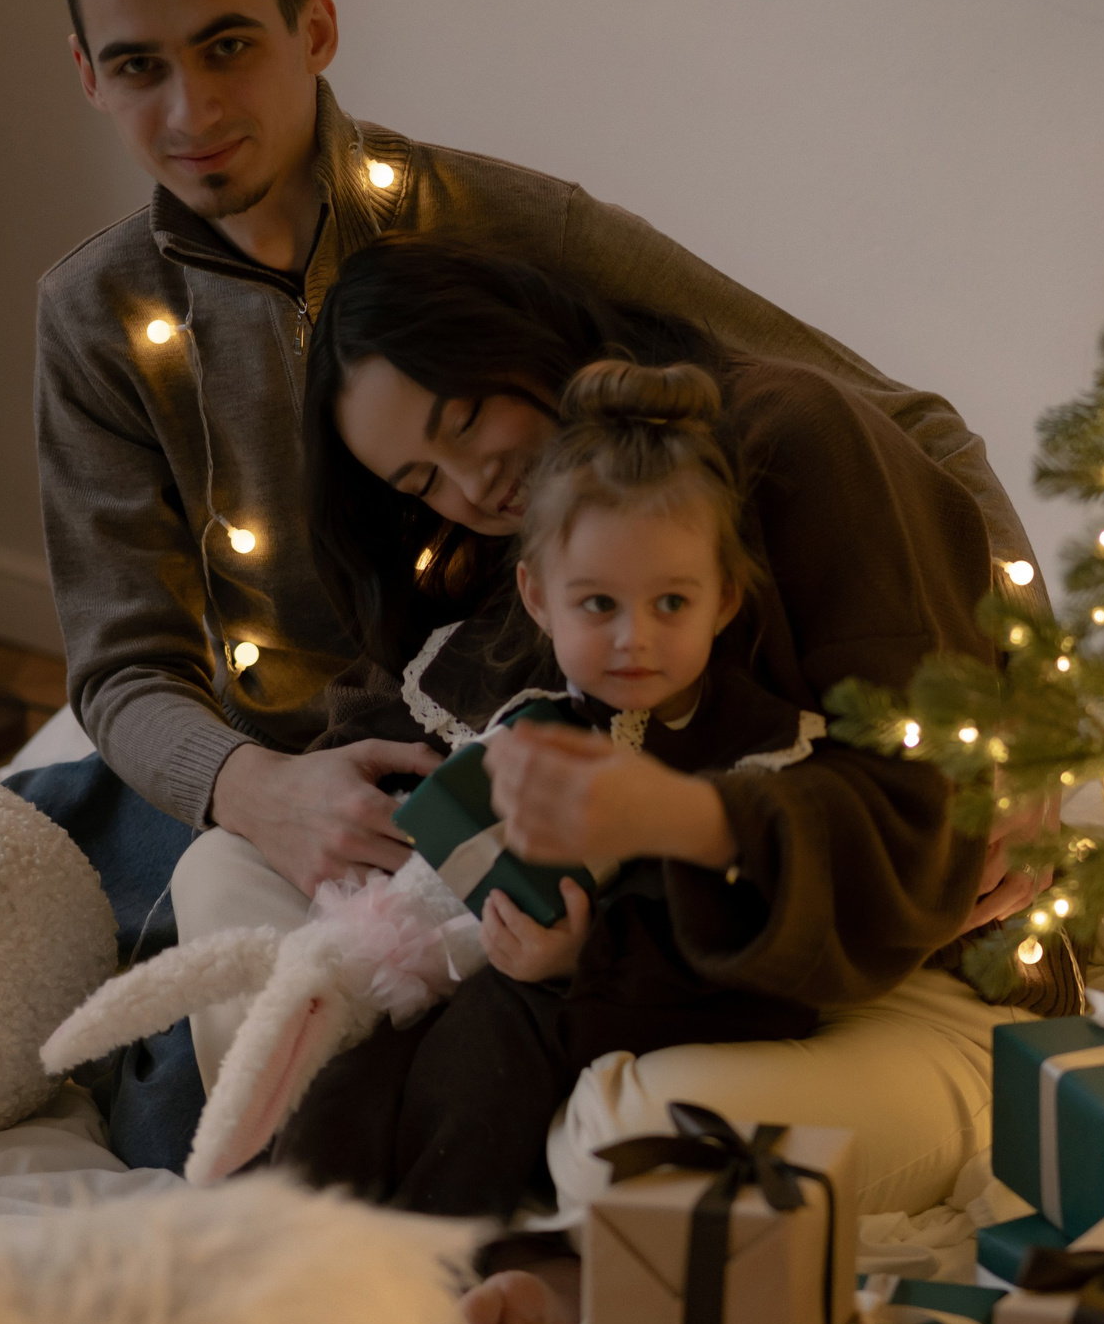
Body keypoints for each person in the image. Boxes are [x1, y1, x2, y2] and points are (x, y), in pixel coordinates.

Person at [25, 0, 1049, 1165]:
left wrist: (1033, 725)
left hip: (645, 848)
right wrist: (254, 789)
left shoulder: (505, 235)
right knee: (189, 922)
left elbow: (904, 428)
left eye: (227, 46)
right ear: (87, 74)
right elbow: (122, 667)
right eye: (139, 65)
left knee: (578, 1099)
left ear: (314, 29)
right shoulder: (97, 319)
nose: (191, 109)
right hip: (369, 787)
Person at [168, 236, 1075, 1324]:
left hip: (888, 984)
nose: (470, 490)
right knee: (223, 872)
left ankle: (546, 1256)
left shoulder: (788, 443)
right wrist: (300, 798)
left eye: (465, 424)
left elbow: (916, 829)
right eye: (420, 482)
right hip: (604, 984)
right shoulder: (523, 549)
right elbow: (418, 729)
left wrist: (662, 837)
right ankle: (361, 1214)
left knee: (636, 1126)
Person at [270, 358, 832, 1220]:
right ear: (538, 598)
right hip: (526, 957)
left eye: (671, 604)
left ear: (723, 601)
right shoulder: (537, 719)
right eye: (599, 604)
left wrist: (583, 959)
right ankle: (284, 1222)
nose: (634, 638)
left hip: (683, 990)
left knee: (497, 1030)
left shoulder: (754, 749)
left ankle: (434, 1243)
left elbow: (755, 944)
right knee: (369, 1043)